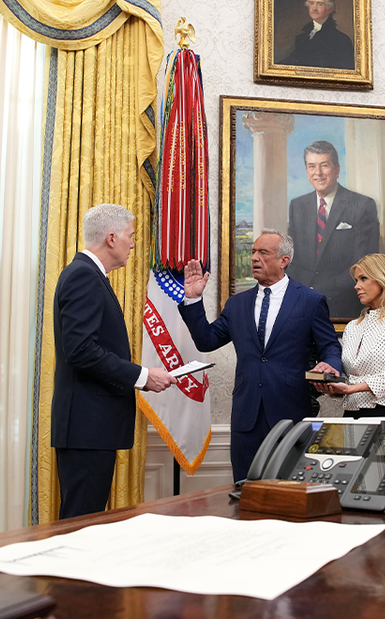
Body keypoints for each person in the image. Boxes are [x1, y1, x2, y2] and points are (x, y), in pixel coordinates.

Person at [180, 230, 342, 483]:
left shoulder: (310, 300)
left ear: (284, 260)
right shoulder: (237, 304)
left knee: (291, 493)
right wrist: (193, 299)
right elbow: (206, 340)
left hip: (291, 411)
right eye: (253, 252)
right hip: (247, 416)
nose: (254, 257)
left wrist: (330, 365)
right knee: (246, 491)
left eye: (263, 253)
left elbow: (330, 345)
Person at [52, 204, 177, 519]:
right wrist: (141, 375)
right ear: (111, 238)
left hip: (90, 427)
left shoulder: (88, 274)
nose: (133, 244)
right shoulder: (83, 275)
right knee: (81, 523)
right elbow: (80, 350)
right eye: (130, 236)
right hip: (87, 427)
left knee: (86, 521)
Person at [286, 141, 379, 320]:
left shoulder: (362, 205)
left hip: (344, 305)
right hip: (301, 304)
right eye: (312, 166)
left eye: (324, 165)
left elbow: (363, 262)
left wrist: (318, 291)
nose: (318, 173)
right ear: (306, 171)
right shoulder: (297, 206)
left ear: (336, 169)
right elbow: (292, 257)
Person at [315, 254, 385, 420]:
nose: (356, 286)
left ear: (383, 279)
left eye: (363, 279)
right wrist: (334, 387)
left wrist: (350, 389)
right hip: (352, 412)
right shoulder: (352, 327)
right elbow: (349, 378)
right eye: (356, 280)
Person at [279, 0, 355, 70]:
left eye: (320, 4)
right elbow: (292, 61)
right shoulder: (302, 37)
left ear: (330, 9)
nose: (314, 8)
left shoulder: (341, 40)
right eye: (312, 3)